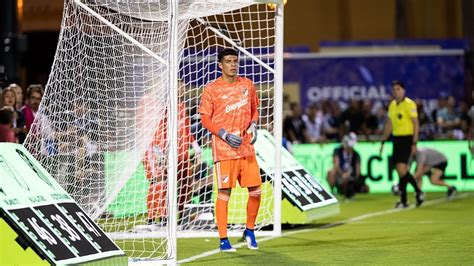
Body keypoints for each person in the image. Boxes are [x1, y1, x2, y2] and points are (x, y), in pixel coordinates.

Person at [199, 48, 261, 252]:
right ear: (220, 65)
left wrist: (253, 124)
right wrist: (223, 134)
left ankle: (249, 231)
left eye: (235, 60)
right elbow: (205, 119)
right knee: (225, 193)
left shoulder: (247, 85)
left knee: (256, 191)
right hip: (225, 150)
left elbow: (254, 110)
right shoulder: (211, 89)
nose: (233, 64)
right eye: (228, 61)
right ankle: (223, 240)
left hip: (246, 148)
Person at [143, 80, 202, 226]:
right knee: (159, 182)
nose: (183, 89)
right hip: (165, 153)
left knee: (186, 185)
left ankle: (182, 217)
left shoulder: (181, 107)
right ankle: (155, 218)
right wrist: (159, 151)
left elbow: (187, 130)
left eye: (183, 86)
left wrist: (196, 147)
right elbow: (157, 131)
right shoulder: (162, 108)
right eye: (180, 86)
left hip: (182, 154)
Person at [380, 80, 423, 208]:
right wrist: (383, 140)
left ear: (403, 90)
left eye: (398, 89)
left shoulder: (410, 104)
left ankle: (418, 191)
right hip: (396, 139)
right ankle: (405, 200)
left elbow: (416, 124)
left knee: (401, 168)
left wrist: (414, 142)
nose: (396, 92)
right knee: (400, 171)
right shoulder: (392, 105)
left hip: (407, 139)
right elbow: (389, 124)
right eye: (394, 89)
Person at [326, 132, 368, 199]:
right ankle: (332, 192)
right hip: (340, 175)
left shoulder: (356, 155)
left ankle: (351, 189)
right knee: (330, 173)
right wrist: (343, 174)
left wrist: (351, 176)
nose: (351, 147)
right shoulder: (337, 151)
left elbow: (358, 171)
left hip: (351, 177)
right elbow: (336, 165)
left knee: (366, 188)